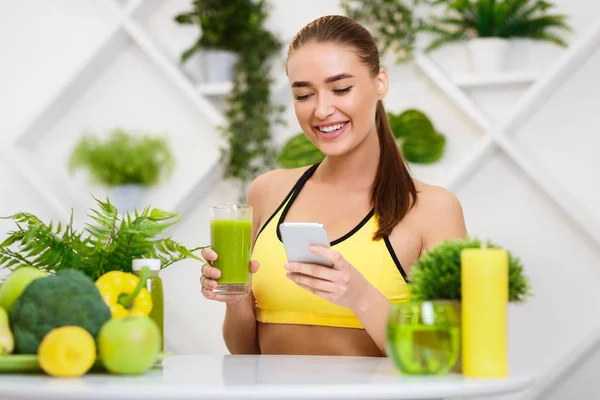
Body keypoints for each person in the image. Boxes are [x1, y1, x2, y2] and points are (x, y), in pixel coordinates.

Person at [200, 15, 467, 357]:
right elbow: (245, 354)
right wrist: (236, 301)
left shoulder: (433, 209)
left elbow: (446, 357)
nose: (322, 110)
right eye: (303, 95)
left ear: (380, 83)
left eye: (341, 89)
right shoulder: (268, 192)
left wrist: (359, 296)